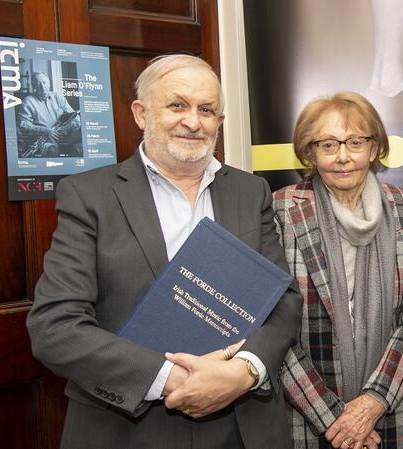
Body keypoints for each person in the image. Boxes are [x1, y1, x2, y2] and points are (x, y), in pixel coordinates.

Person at [26, 54, 303, 449]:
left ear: (220, 123)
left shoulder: (250, 191)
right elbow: (55, 326)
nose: (193, 121)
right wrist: (177, 380)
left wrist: (242, 372)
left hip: (243, 427)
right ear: (141, 113)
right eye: (177, 105)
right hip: (127, 428)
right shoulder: (88, 196)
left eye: (207, 110)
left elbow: (284, 301)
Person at [273, 92, 403, 449]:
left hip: (395, 407)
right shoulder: (281, 210)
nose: (343, 157)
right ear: (310, 153)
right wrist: (337, 421)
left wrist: (372, 402)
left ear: (374, 147)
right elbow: (274, 330)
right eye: (328, 144)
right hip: (309, 417)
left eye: (355, 142)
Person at [18, 71, 82, 157]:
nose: (42, 86)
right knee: (52, 151)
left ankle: (71, 161)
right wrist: (45, 131)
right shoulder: (28, 101)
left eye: (44, 82)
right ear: (34, 86)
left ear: (49, 83)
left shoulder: (58, 96)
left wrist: (65, 129)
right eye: (38, 83)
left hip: (65, 135)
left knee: (84, 136)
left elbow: (76, 118)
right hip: (46, 139)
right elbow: (23, 125)